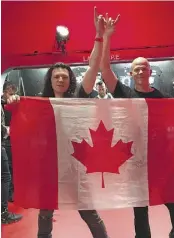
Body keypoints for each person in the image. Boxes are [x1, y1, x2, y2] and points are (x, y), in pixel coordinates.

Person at [7, 7, 109, 238]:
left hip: (75, 163)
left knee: (89, 212)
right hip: (48, 166)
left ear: (70, 80)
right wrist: (14, 101)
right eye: (56, 76)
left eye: (64, 76)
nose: (61, 79)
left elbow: (93, 67)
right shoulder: (38, 104)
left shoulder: (77, 98)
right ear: (50, 80)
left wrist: (99, 35)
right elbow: (18, 114)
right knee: (45, 214)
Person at [99, 15, 174, 238]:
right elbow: (105, 69)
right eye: (137, 69)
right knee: (140, 211)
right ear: (131, 74)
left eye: (144, 68)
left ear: (150, 72)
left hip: (163, 159)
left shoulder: (163, 99)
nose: (141, 72)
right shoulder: (124, 93)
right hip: (137, 160)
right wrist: (107, 37)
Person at [1, 104, 23, 224]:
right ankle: (3, 212)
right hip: (3, 142)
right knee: (5, 176)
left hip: (4, 142)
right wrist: (7, 130)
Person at [1, 81, 17, 202]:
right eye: (10, 93)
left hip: (13, 139)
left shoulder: (13, 104)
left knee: (12, 167)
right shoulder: (2, 105)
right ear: (4, 92)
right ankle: (9, 195)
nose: (11, 96)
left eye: (13, 93)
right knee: (8, 170)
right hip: (4, 140)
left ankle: (11, 193)